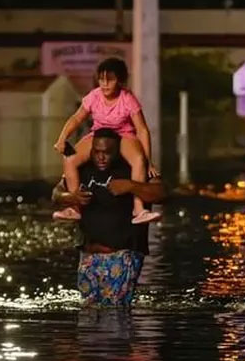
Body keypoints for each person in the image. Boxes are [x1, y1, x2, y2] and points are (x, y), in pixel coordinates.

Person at [52, 128, 166, 306]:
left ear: (118, 151)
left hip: (122, 256)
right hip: (88, 257)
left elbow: (161, 193)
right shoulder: (83, 168)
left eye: (107, 153)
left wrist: (130, 186)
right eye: (97, 152)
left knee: (114, 314)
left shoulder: (135, 167)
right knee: (88, 313)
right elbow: (56, 192)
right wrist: (70, 197)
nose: (101, 157)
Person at [53, 57, 161, 225]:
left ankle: (139, 209)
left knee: (138, 160)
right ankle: (74, 208)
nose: (104, 84)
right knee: (70, 158)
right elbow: (76, 118)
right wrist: (62, 138)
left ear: (119, 80)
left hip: (123, 134)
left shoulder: (127, 98)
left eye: (109, 79)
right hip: (98, 134)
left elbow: (141, 129)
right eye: (101, 79)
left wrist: (149, 161)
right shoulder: (94, 96)